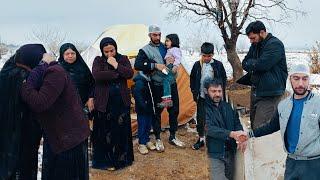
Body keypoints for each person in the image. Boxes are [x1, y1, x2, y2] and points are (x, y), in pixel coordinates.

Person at [237, 63, 320, 180]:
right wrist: (249, 134)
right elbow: (271, 126)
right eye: (296, 78)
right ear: (290, 79)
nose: (300, 83)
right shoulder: (283, 106)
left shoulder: (318, 104)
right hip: (291, 163)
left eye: (304, 78)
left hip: (313, 165)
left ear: (309, 80)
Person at [20, 52, 90, 180]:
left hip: (68, 138)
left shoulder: (54, 72)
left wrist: (25, 85)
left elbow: (40, 102)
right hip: (63, 134)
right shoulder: (52, 70)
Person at [134, 25, 184, 151]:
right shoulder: (145, 50)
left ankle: (172, 136)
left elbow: (176, 57)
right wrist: (155, 65)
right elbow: (137, 65)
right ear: (149, 35)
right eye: (154, 35)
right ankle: (157, 138)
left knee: (174, 110)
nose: (157, 37)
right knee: (157, 112)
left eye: (159, 35)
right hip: (158, 86)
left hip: (171, 84)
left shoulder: (166, 46)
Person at [0, 44, 45, 180]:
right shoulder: (26, 75)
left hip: (7, 127)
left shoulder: (6, 70)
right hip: (23, 127)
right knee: (22, 162)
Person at [91, 37, 134, 170]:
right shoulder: (98, 60)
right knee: (105, 132)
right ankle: (106, 162)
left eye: (112, 50)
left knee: (120, 131)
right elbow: (97, 75)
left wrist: (116, 65)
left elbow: (129, 73)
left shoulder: (123, 59)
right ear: (102, 51)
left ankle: (122, 160)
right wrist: (116, 74)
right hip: (104, 103)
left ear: (116, 48)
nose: (109, 54)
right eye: (106, 51)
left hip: (120, 102)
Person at [237, 20, 288, 130]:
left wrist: (255, 63)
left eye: (253, 38)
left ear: (262, 32)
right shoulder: (255, 45)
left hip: (270, 93)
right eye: (250, 38)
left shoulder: (275, 44)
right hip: (257, 91)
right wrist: (255, 63)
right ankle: (257, 146)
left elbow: (262, 65)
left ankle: (265, 147)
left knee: (262, 128)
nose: (251, 41)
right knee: (254, 124)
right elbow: (244, 63)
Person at [204, 78, 245, 180]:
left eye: (219, 91)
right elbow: (209, 128)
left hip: (230, 151)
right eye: (213, 91)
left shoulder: (227, 106)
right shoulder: (203, 108)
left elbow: (236, 122)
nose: (217, 94)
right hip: (216, 152)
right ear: (206, 91)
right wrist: (231, 134)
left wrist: (241, 136)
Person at [190, 42, 227, 150]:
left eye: (209, 56)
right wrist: (194, 91)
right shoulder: (197, 65)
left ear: (213, 55)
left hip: (215, 98)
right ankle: (201, 139)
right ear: (201, 54)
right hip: (201, 97)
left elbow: (223, 79)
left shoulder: (218, 65)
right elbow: (192, 78)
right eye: (204, 56)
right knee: (201, 119)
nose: (206, 58)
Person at [58, 43, 95, 115]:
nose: (70, 56)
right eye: (67, 54)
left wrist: (91, 97)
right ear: (62, 55)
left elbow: (92, 84)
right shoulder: (57, 69)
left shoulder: (83, 68)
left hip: (84, 107)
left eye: (73, 53)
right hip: (64, 109)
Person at [133, 71, 157, 155]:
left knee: (148, 125)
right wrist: (144, 105)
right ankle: (142, 144)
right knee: (142, 125)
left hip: (149, 108)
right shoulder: (139, 81)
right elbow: (138, 96)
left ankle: (146, 140)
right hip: (142, 109)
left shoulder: (148, 80)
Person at [158, 33, 182, 108]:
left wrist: (175, 66)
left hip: (171, 67)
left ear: (173, 41)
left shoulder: (175, 49)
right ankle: (167, 100)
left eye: (168, 41)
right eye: (165, 41)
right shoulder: (170, 49)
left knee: (166, 82)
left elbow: (178, 58)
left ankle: (167, 101)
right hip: (168, 66)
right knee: (164, 80)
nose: (166, 42)